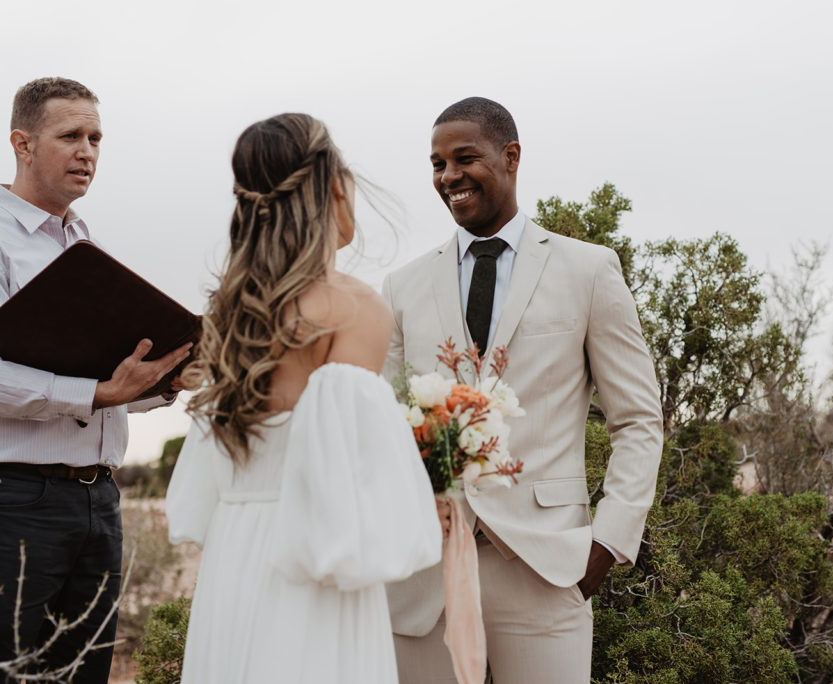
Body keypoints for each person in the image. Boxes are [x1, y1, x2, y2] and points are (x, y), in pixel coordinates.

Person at [381, 97, 664, 683]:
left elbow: (638, 419)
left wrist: (608, 543)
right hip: (423, 577)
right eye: (437, 164)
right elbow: (388, 422)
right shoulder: (403, 286)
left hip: (546, 568)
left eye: (465, 158)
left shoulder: (588, 270)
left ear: (510, 157)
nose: (448, 176)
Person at [0, 77, 191, 681]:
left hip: (98, 502)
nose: (88, 150)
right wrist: (98, 393)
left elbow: (101, 380)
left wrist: (169, 378)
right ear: (21, 143)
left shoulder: (82, 243)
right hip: (7, 503)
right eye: (70, 135)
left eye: (96, 137)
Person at [165, 113, 442, 683]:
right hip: (313, 556)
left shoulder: (229, 309)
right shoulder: (356, 308)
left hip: (234, 555)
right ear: (332, 186)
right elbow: (347, 480)